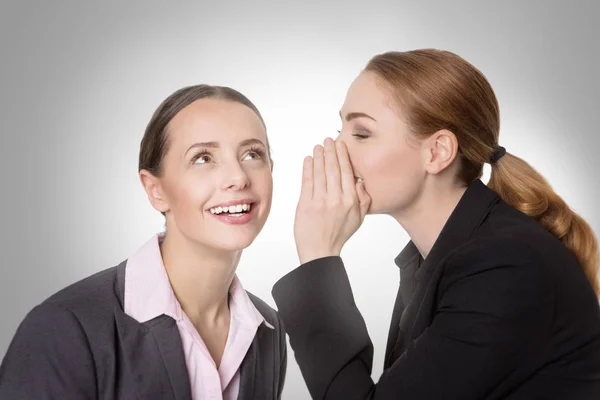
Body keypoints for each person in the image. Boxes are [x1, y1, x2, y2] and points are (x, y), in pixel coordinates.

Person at [272, 49, 600, 399]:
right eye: (341, 130)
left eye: (362, 133)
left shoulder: (506, 267)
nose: (336, 150)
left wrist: (318, 254)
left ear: (438, 152)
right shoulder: (443, 257)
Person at [0, 84, 287, 399]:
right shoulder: (64, 329)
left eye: (251, 154)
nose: (238, 177)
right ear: (155, 190)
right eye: (203, 158)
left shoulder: (267, 331)